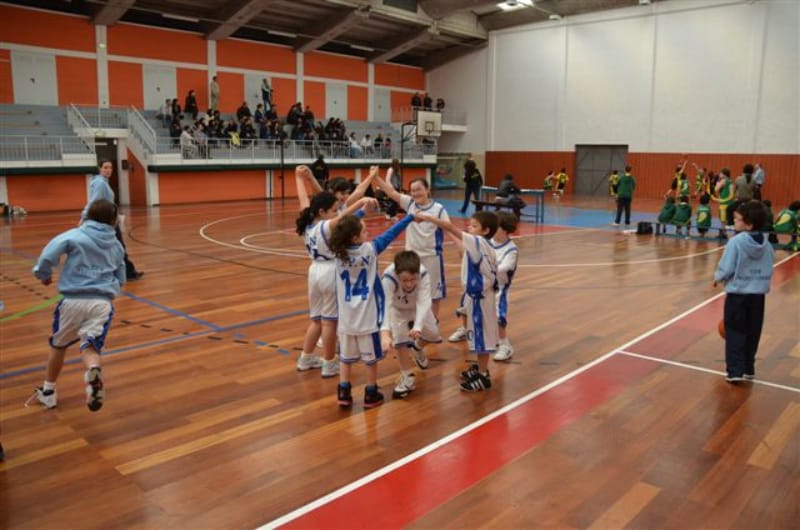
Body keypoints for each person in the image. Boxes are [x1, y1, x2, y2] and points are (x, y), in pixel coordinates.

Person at [28, 199, 125, 411]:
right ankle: (93, 373)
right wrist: (111, 288)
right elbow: (121, 276)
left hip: (72, 301)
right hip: (101, 304)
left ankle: (48, 391)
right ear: (113, 220)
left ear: (88, 215)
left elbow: (47, 256)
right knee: (90, 347)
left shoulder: (75, 235)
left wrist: (43, 275)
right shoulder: (116, 245)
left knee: (59, 345)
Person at [293, 165, 377, 378]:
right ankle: (330, 362)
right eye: (332, 210)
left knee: (316, 320)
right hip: (330, 272)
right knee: (329, 322)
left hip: (314, 272)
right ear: (322, 212)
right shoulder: (325, 226)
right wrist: (361, 202)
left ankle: (306, 357)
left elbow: (306, 198)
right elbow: (345, 214)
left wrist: (302, 178)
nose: (335, 211)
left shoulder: (309, 222)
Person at [328, 209, 415, 408]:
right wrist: (409, 218)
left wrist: (358, 212)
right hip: (368, 318)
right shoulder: (369, 250)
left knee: (345, 359)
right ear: (355, 237)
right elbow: (391, 234)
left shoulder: (338, 253)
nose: (369, 235)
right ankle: (370, 392)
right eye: (365, 231)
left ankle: (343, 391)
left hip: (346, 319)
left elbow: (342, 228)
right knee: (371, 360)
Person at [417, 210, 499, 391]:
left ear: (485, 230)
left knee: (482, 337)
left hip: (481, 298)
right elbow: (458, 241)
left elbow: (451, 228)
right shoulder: (484, 245)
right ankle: (481, 368)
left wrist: (430, 218)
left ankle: (484, 375)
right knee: (478, 335)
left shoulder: (477, 242)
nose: (469, 227)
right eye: (469, 224)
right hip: (480, 296)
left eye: (474, 225)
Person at [374, 171, 450, 321]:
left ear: (427, 189)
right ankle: (414, 322)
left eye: (418, 189)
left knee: (434, 294)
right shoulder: (409, 203)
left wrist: (431, 219)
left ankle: (433, 322)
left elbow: (448, 226)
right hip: (411, 257)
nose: (415, 193)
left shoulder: (439, 209)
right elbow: (391, 192)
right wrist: (375, 177)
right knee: (411, 289)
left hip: (431, 257)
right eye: (413, 190)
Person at [713, 201, 774, 383]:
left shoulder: (736, 242)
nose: (734, 221)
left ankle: (735, 372)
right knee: (753, 331)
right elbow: (769, 265)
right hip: (758, 296)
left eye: (737, 219)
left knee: (735, 332)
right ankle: (748, 368)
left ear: (749, 224)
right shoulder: (767, 243)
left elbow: (726, 267)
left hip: (738, 295)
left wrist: (718, 277)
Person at [381, 250, 440, 398]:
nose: (409, 284)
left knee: (433, 334)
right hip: (397, 309)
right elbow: (385, 305)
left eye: (412, 279)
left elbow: (424, 301)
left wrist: (418, 326)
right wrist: (385, 333)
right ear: (397, 273)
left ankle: (417, 347)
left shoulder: (423, 273)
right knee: (400, 341)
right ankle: (407, 376)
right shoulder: (388, 277)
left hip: (417, 307)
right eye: (404, 280)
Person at [84, 159, 143, 280]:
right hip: (106, 221)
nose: (108, 170)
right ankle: (128, 273)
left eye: (110, 167)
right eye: (105, 167)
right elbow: (94, 202)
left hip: (110, 219)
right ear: (99, 168)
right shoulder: (100, 183)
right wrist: (84, 217)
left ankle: (125, 272)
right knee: (118, 247)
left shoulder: (103, 182)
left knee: (113, 248)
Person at [490, 212, 519, 362]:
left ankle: (505, 345)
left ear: (505, 230)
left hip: (500, 288)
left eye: (497, 226)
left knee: (498, 317)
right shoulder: (487, 242)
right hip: (485, 285)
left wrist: (486, 267)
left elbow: (505, 267)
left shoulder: (511, 250)